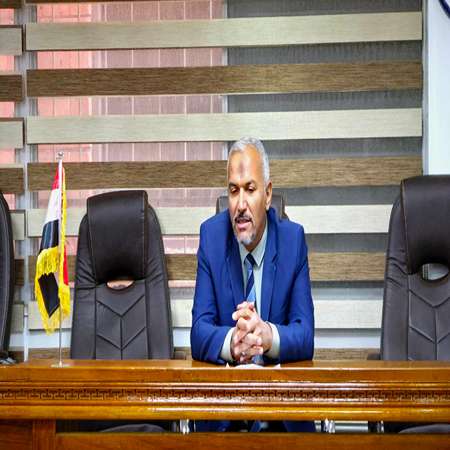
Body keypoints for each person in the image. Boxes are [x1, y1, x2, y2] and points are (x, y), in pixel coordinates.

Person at [190, 137, 315, 432]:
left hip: (281, 416)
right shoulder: (211, 238)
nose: (241, 205)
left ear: (268, 194)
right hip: (225, 415)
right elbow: (199, 332)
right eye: (234, 191)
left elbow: (305, 335)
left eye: (250, 189)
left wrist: (267, 336)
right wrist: (233, 342)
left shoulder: (292, 241)